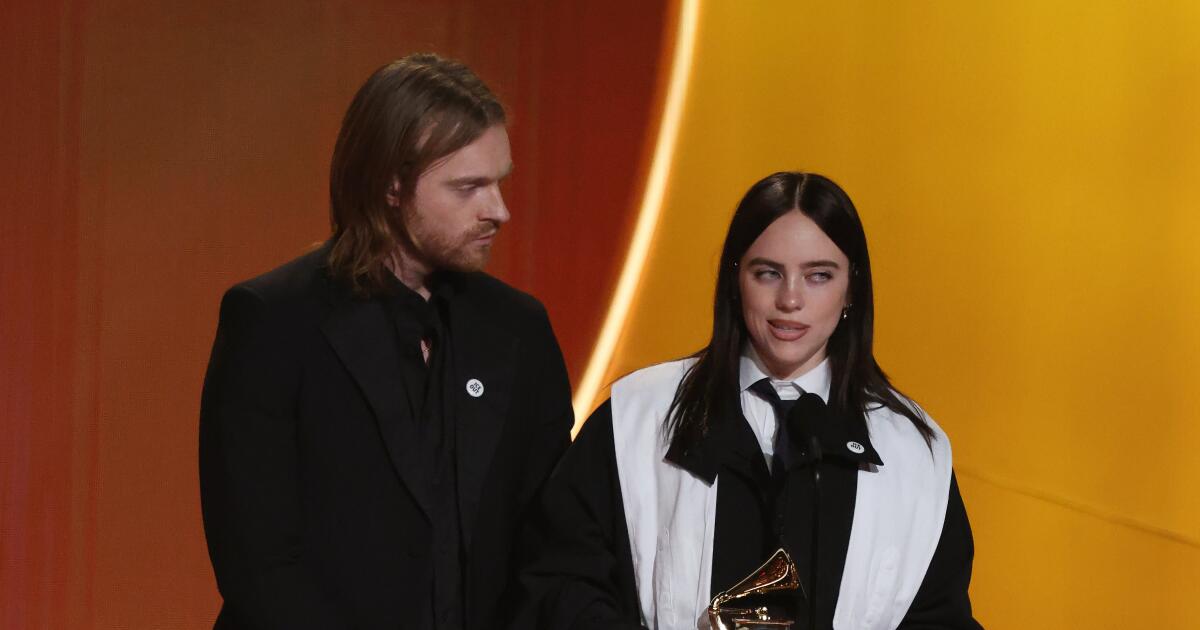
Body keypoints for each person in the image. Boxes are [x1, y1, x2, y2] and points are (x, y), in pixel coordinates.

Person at [199, 53, 573, 630]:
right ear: (392, 185)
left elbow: (551, 545)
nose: (498, 211)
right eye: (469, 187)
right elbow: (260, 565)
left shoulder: (519, 330)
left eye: (499, 181)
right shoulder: (274, 322)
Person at [515, 172, 982, 629]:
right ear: (735, 280)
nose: (790, 300)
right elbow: (560, 583)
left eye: (818, 276)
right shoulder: (637, 418)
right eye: (768, 273)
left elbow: (939, 618)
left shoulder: (913, 455)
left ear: (851, 290)